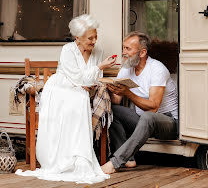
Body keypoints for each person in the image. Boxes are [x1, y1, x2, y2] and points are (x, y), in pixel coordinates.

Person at [16, 14, 116, 183]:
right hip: (60, 88)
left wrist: (93, 79)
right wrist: (99, 68)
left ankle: (80, 158)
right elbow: (78, 79)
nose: (94, 41)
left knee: (82, 97)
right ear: (77, 38)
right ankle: (69, 159)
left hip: (82, 90)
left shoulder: (98, 51)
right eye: (90, 38)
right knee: (79, 99)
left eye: (95, 37)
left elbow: (94, 78)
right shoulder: (68, 50)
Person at [101, 31, 178, 174]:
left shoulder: (157, 69)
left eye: (128, 49)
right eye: (123, 48)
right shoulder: (126, 68)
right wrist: (106, 88)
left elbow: (153, 107)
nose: (123, 52)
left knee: (148, 117)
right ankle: (129, 159)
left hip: (168, 123)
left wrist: (127, 93)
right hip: (141, 121)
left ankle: (115, 162)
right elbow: (117, 100)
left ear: (142, 53)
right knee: (111, 109)